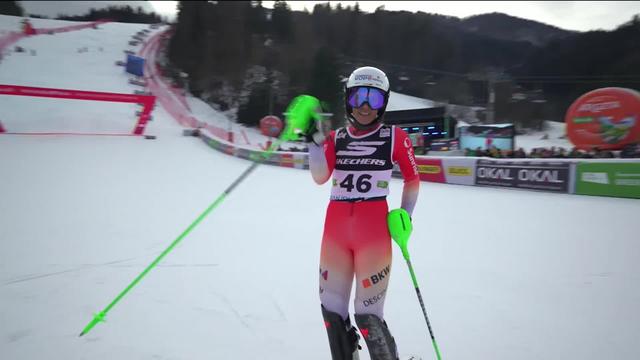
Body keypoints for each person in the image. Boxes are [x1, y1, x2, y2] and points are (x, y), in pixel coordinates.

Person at [301, 66, 421, 360]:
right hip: (336, 233)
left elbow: (413, 179)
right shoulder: (337, 137)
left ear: (385, 102)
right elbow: (319, 177)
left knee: (368, 315)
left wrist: (405, 215)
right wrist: (314, 143)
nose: (366, 107)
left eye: (374, 100)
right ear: (348, 100)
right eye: (359, 98)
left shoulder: (395, 136)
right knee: (331, 308)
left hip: (374, 235)